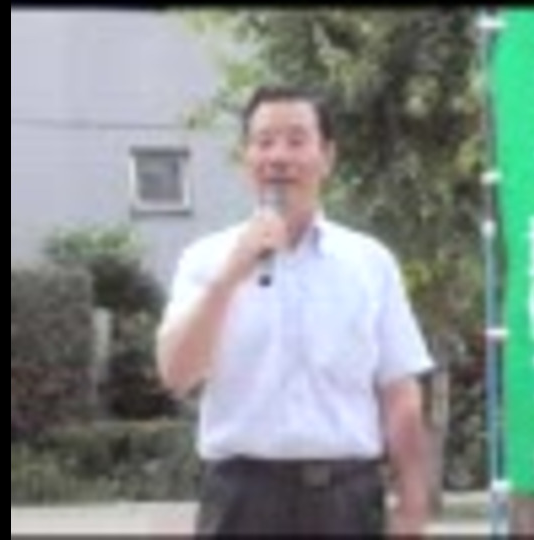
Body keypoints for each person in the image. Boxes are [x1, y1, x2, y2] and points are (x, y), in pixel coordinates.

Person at [155, 85, 435, 536]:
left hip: (347, 500)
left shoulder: (369, 262)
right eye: (264, 142)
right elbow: (176, 374)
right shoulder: (205, 259)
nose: (278, 156)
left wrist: (413, 503)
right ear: (246, 157)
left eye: (296, 140)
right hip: (242, 499)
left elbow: (400, 392)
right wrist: (230, 276)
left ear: (327, 156)